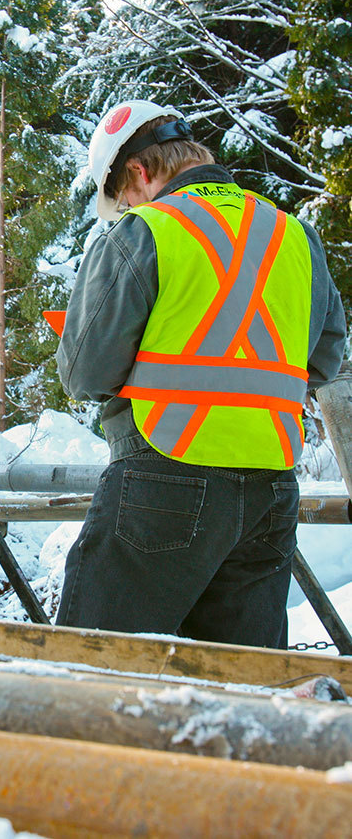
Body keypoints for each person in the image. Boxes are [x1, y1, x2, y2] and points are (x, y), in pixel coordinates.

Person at [56, 99, 346, 649]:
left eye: (122, 199)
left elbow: (84, 374)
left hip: (163, 474)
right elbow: (324, 361)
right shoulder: (294, 235)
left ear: (138, 173)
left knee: (93, 671)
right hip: (270, 488)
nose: (124, 209)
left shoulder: (143, 231)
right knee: (240, 682)